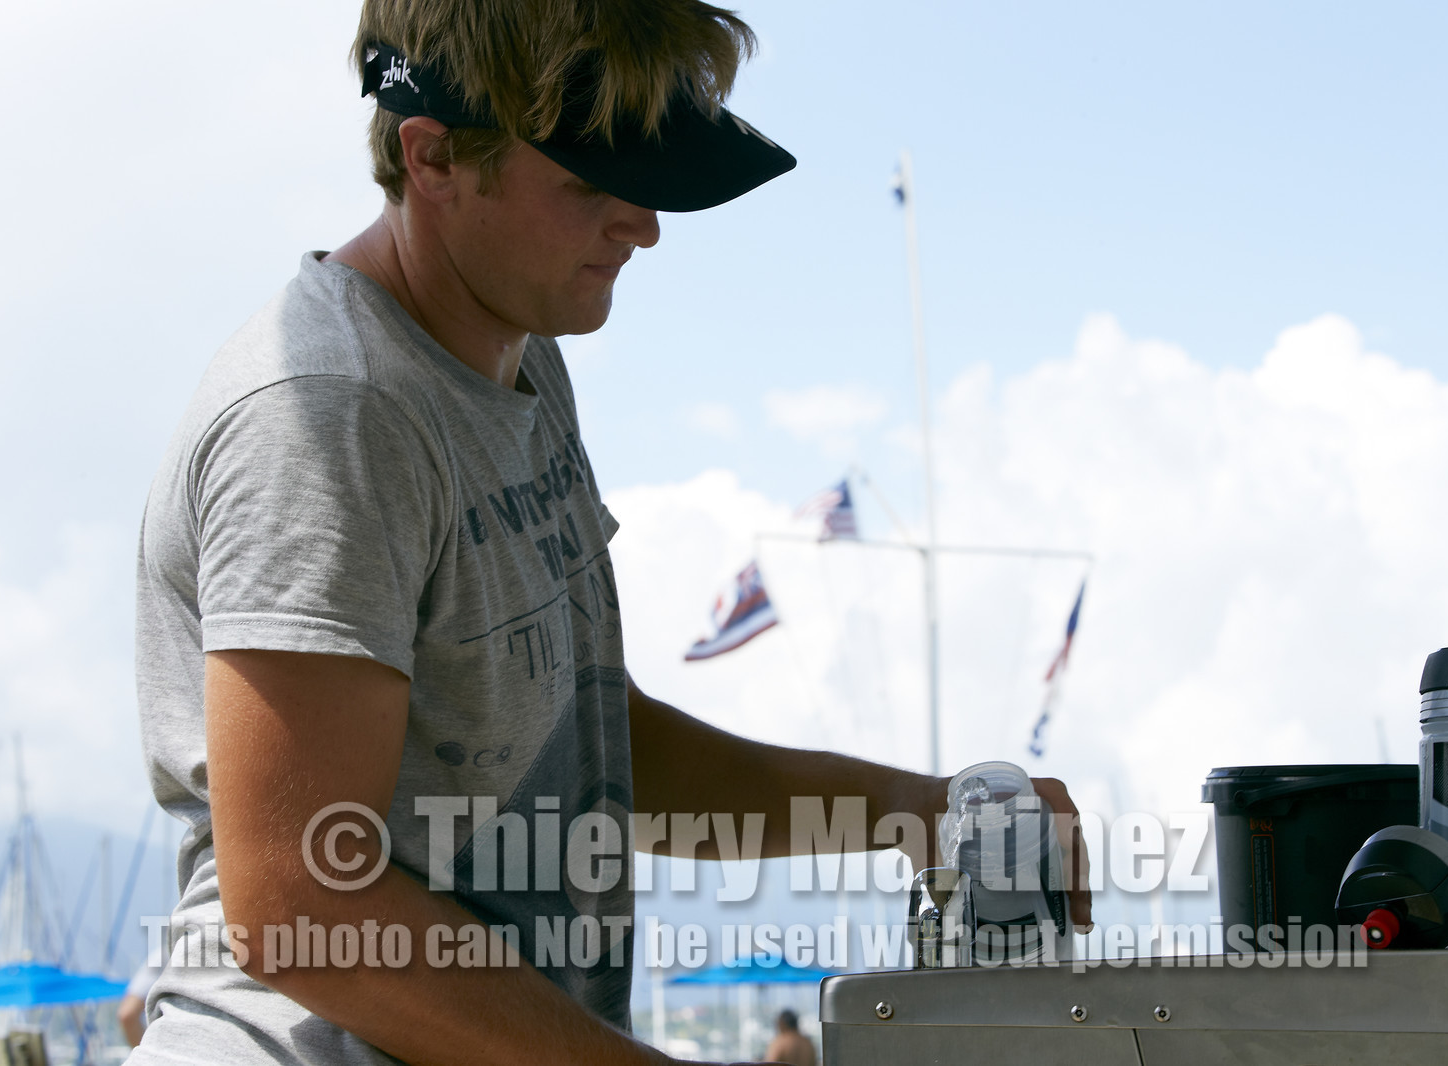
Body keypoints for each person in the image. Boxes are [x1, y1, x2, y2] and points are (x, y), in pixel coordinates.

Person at [130, 2, 1092, 1064]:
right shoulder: (329, 412)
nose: (643, 223)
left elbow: (594, 744)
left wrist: (922, 809)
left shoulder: (522, 356)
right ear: (433, 155)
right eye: (590, 182)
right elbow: (300, 907)